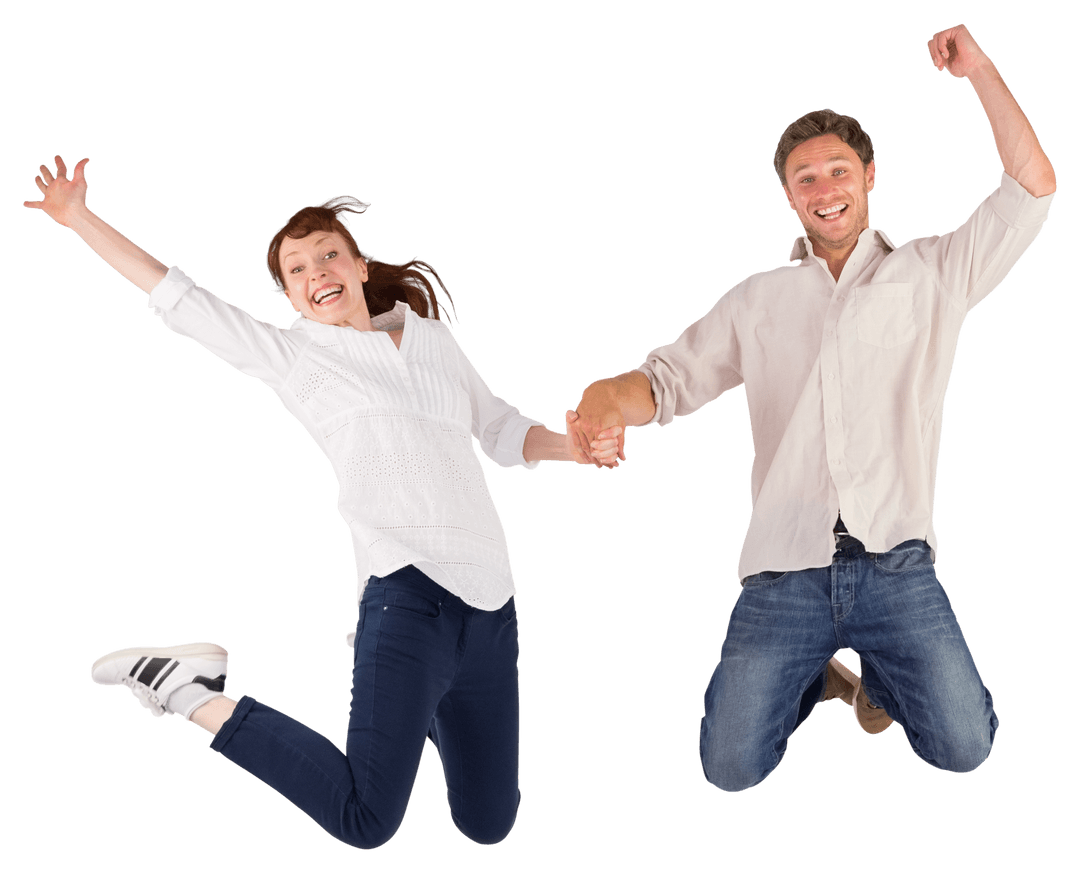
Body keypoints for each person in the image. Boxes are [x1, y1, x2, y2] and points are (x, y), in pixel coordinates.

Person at [24, 170, 620, 848]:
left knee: (488, 822)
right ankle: (185, 686)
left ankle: (409, 700)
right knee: (365, 818)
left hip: (491, 607)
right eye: (297, 268)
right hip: (405, 598)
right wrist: (79, 219)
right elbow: (176, 296)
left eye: (329, 253)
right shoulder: (299, 357)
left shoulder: (431, 341)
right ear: (290, 297)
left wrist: (573, 448)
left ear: (360, 266)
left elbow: (501, 429)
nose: (318, 271)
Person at [567, 23, 1056, 792]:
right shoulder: (758, 299)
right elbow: (658, 383)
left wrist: (982, 71)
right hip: (784, 571)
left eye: (837, 171)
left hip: (896, 563)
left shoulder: (932, 273)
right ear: (789, 196)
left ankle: (881, 682)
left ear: (868, 176)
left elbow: (1032, 187)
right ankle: (825, 675)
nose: (824, 190)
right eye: (806, 179)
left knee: (965, 744)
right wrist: (600, 407)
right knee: (729, 767)